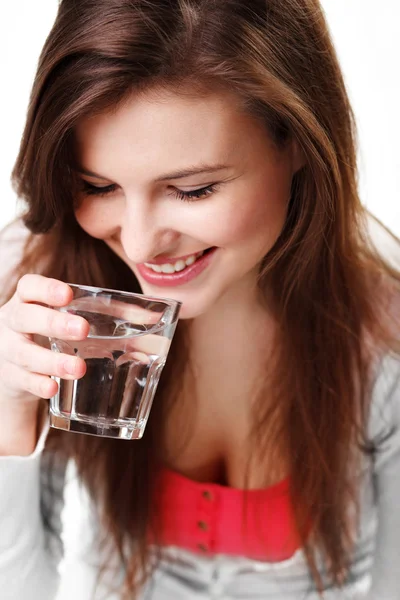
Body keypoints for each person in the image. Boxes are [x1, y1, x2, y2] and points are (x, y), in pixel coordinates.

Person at [0, 0, 399, 598]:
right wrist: (6, 420)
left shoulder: (382, 348)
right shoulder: (39, 298)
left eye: (192, 190)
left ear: (297, 144)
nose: (137, 243)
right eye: (98, 186)